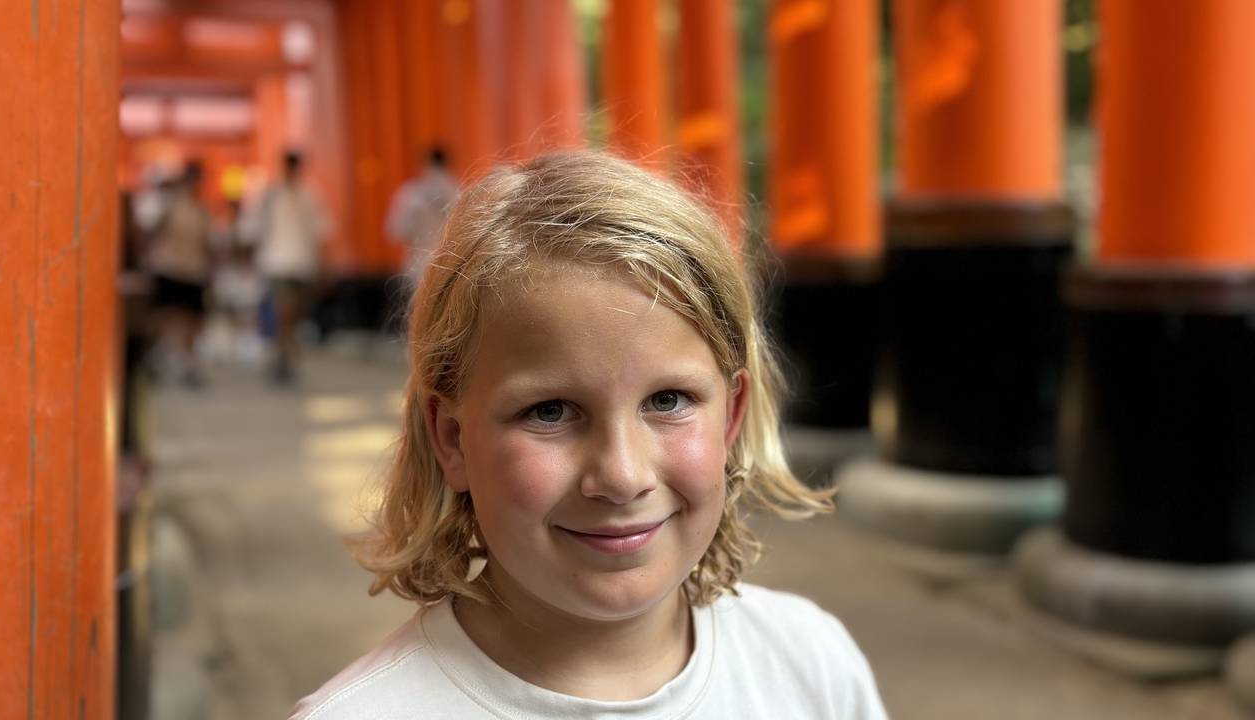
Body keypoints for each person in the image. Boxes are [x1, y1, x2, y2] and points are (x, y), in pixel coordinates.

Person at [290, 152, 887, 719]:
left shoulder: (812, 667)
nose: (623, 476)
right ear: (452, 439)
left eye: (668, 401)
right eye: (550, 411)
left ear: (731, 419)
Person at [250, 150, 328, 384]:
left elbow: (320, 231)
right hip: (277, 263)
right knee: (284, 311)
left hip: (302, 264)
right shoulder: (270, 196)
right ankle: (281, 355)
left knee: (294, 316)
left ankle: (284, 354)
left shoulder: (309, 196)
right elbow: (257, 228)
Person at [145, 161, 212, 388]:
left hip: (193, 271)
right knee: (166, 317)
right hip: (170, 267)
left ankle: (188, 364)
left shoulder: (201, 211)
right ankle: (157, 358)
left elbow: (207, 244)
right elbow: (153, 231)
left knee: (192, 321)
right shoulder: (172, 206)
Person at [384, 147, 459, 292]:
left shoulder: (410, 194)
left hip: (418, 266)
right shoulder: (461, 192)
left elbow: (396, 232)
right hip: (453, 266)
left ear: (424, 163)